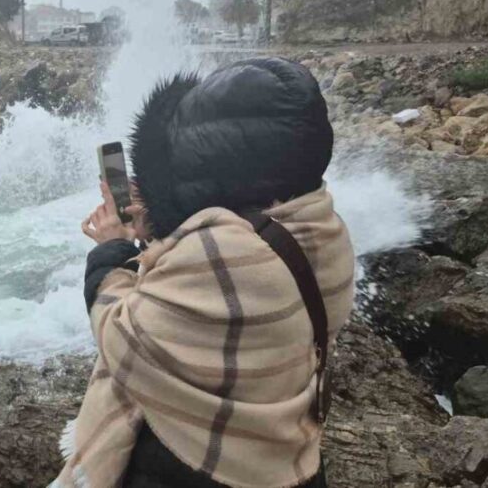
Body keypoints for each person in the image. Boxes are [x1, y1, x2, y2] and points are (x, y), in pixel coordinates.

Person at [55, 57, 354, 488]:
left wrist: (113, 247)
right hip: (289, 459)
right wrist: (161, 230)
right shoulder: (321, 227)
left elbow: (122, 338)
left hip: (203, 466)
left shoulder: (220, 254)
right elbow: (224, 303)